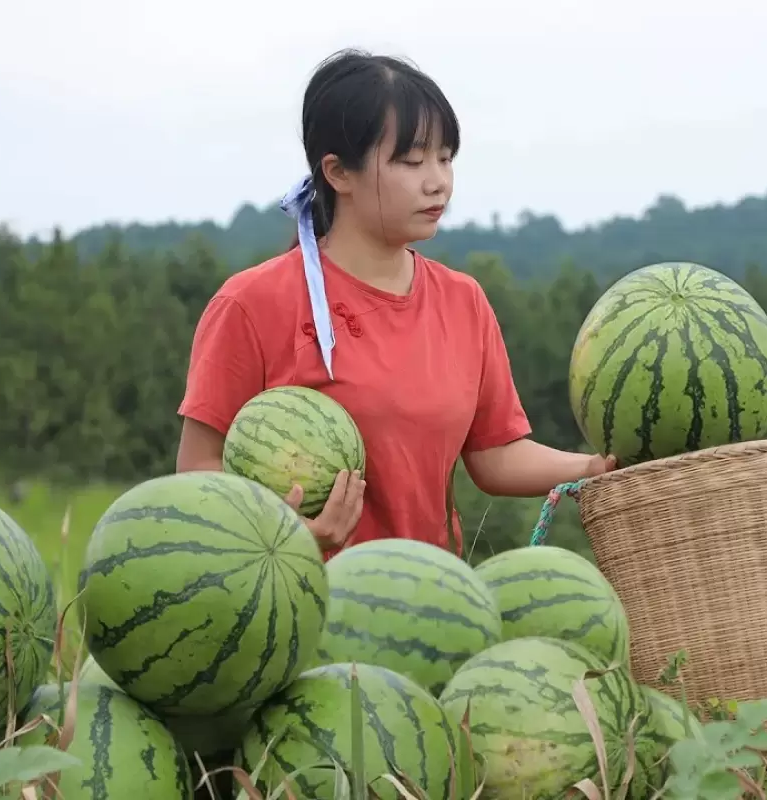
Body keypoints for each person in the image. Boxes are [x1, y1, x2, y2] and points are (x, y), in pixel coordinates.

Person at [175, 48, 616, 559]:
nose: (438, 181)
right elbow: (198, 471)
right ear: (338, 172)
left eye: (446, 158)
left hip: (430, 603)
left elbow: (493, 455)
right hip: (299, 604)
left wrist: (591, 468)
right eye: (411, 161)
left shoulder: (463, 301)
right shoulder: (251, 304)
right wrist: (285, 537)